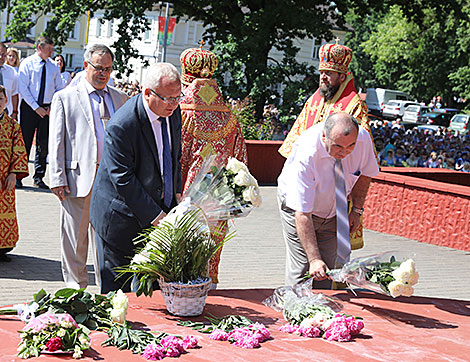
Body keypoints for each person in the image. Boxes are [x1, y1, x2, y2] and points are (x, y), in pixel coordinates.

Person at [90, 62, 183, 294]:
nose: (173, 104)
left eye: (177, 97)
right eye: (168, 98)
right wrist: (156, 216)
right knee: (117, 296)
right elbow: (122, 178)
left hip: (156, 213)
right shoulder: (123, 124)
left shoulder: (173, 112)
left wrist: (177, 194)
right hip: (120, 219)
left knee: (152, 292)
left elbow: (174, 155)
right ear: (147, 93)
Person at [279, 41, 375, 254]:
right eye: (322, 72)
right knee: (303, 252)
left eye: (329, 73)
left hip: (336, 189)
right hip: (308, 179)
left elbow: (358, 155)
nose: (323, 77)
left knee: (334, 253)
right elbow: (293, 144)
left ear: (342, 76)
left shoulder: (354, 105)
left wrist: (356, 209)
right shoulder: (315, 100)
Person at [49, 44, 128, 289]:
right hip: (78, 179)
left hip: (112, 183)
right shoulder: (66, 97)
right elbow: (57, 140)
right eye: (98, 68)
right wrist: (57, 177)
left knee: (108, 241)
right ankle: (76, 292)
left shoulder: (120, 98)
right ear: (86, 66)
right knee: (75, 241)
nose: (103, 73)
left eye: (108, 69)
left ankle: (108, 293)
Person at [277, 112, 379, 287]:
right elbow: (302, 214)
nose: (345, 152)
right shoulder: (307, 154)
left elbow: (366, 174)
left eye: (350, 146)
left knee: (329, 269)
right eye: (338, 146)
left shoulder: (362, 138)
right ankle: (294, 308)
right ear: (324, 135)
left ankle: (326, 311)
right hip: (297, 210)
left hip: (334, 211)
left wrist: (356, 210)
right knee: (304, 267)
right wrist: (314, 258)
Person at [179, 46, 247, 287]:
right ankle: (210, 284)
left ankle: (183, 289)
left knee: (183, 239)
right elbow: (241, 160)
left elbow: (176, 156)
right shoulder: (229, 114)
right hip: (220, 191)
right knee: (213, 239)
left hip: (188, 192)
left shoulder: (180, 111)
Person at [18, 36, 63, 189]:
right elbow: (23, 87)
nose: (51, 52)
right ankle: (19, 175)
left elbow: (59, 88)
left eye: (52, 48)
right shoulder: (28, 63)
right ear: (39, 47)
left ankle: (39, 176)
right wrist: (35, 107)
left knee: (43, 143)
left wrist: (51, 107)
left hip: (47, 108)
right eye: (48, 48)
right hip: (30, 107)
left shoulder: (53, 67)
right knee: (25, 142)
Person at [0, 85, 29, 262]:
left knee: (4, 213)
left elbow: (19, 150)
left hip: (5, 178)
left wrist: (13, 174)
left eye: (0, 99)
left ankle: (2, 249)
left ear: (6, 101)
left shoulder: (12, 126)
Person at [0, 43, 19, 119]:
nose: (1, 57)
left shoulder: (11, 72)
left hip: (6, 112)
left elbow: (14, 93)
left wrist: (15, 112)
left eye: (3, 55)